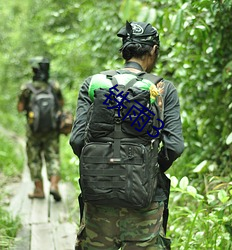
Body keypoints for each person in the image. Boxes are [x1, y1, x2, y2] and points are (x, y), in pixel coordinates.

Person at [70, 21, 184, 249]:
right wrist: (148, 167)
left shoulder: (93, 84)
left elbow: (77, 140)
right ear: (153, 50)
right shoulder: (163, 88)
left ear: (124, 50)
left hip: (98, 201)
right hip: (145, 205)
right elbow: (174, 147)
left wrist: (101, 165)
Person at [17, 57, 64, 202]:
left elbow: (19, 108)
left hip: (33, 131)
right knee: (53, 157)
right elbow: (61, 104)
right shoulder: (54, 86)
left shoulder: (27, 88)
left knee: (34, 159)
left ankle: (39, 190)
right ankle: (54, 186)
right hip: (52, 129)